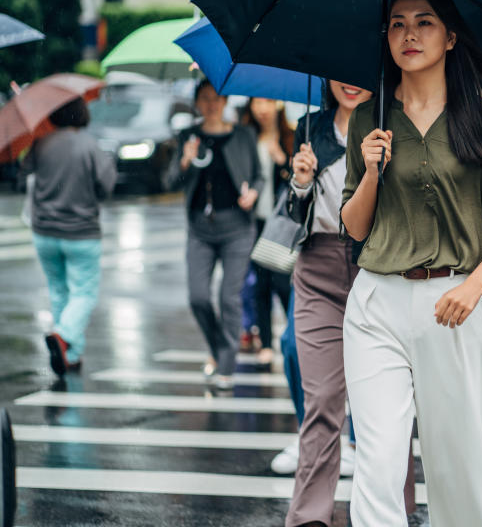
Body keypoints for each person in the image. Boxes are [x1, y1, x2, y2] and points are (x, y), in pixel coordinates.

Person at [340, 0, 482, 527]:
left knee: (461, 468)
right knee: (378, 461)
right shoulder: (369, 119)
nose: (409, 34)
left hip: (453, 304)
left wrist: (473, 286)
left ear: (451, 37)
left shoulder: (481, 117)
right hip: (376, 302)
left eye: (423, 21)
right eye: (397, 23)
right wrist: (372, 173)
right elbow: (353, 227)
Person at [278, 80, 418, 526]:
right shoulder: (308, 127)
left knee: (387, 405)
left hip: (375, 268)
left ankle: (399, 510)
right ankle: (308, 518)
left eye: (358, 73)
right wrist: (300, 183)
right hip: (317, 269)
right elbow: (291, 214)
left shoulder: (391, 126)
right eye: (339, 73)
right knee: (321, 399)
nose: (349, 82)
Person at [167, 79, 263, 390]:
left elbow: (258, 176)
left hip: (237, 227)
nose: (211, 103)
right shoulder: (187, 136)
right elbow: (170, 180)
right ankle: (218, 347)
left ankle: (225, 366)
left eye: (216, 98)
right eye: (205, 98)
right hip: (200, 230)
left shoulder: (243, 135)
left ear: (225, 102)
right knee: (197, 297)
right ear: (196, 103)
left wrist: (254, 194)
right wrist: (185, 159)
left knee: (228, 298)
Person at [24, 97, 116, 375]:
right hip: (82, 233)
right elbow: (106, 185)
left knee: (59, 290)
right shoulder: (89, 145)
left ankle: (71, 354)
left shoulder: (41, 144)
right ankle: (63, 336)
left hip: (44, 232)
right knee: (84, 293)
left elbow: (21, 177)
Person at [240, 96, 295, 365]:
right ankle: (265, 341)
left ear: (278, 105)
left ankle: (293, 335)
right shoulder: (246, 137)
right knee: (259, 283)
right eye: (257, 102)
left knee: (282, 282)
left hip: (281, 224)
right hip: (255, 221)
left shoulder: (291, 136)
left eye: (268, 101)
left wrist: (283, 161)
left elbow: (301, 180)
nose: (262, 108)